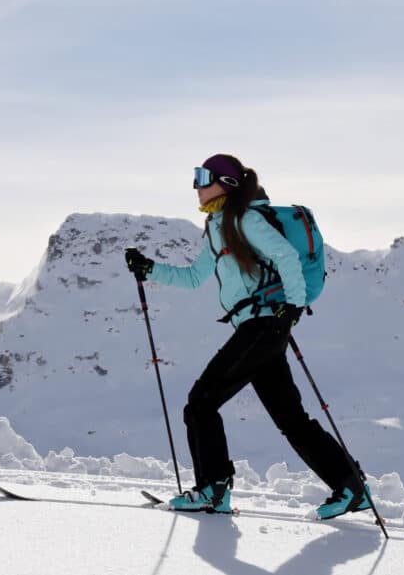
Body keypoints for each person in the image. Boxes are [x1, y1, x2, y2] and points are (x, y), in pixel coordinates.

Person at [125, 154, 371, 519]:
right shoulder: (217, 227)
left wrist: (293, 307)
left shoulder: (246, 219)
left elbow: (286, 256)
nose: (196, 185)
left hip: (264, 325)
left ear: (227, 183)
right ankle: (351, 487)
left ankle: (213, 488)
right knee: (291, 419)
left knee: (201, 402)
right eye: (195, 176)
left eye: (203, 177)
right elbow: (194, 278)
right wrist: (150, 269)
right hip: (258, 327)